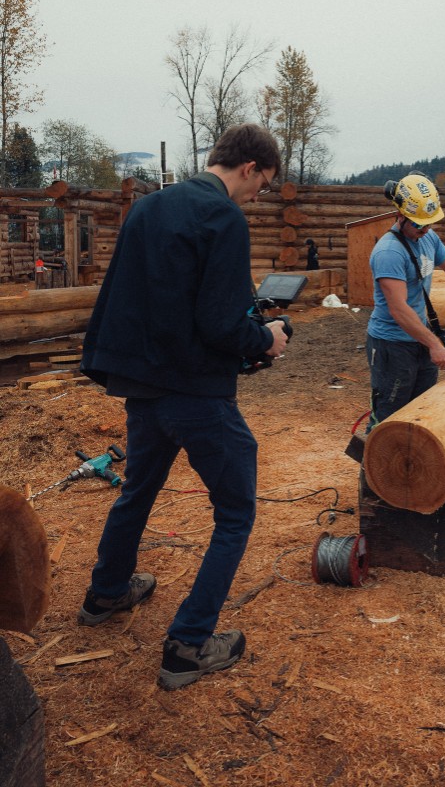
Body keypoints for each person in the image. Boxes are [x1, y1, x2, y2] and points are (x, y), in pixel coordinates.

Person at [78, 124, 289, 690]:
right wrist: (266, 338)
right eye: (263, 184)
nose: (257, 195)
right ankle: (189, 646)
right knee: (237, 511)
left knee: (136, 491)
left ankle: (106, 593)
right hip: (194, 392)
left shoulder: (149, 208)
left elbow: (131, 297)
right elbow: (221, 324)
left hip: (142, 387)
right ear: (249, 167)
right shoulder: (223, 218)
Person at [366, 172, 445, 429]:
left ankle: (411, 469)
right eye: (419, 225)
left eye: (429, 224)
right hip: (392, 345)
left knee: (421, 411)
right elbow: (399, 310)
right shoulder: (389, 252)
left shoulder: (428, 237)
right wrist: (435, 345)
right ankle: (372, 470)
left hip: (420, 340)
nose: (425, 230)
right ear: (400, 215)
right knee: (388, 420)